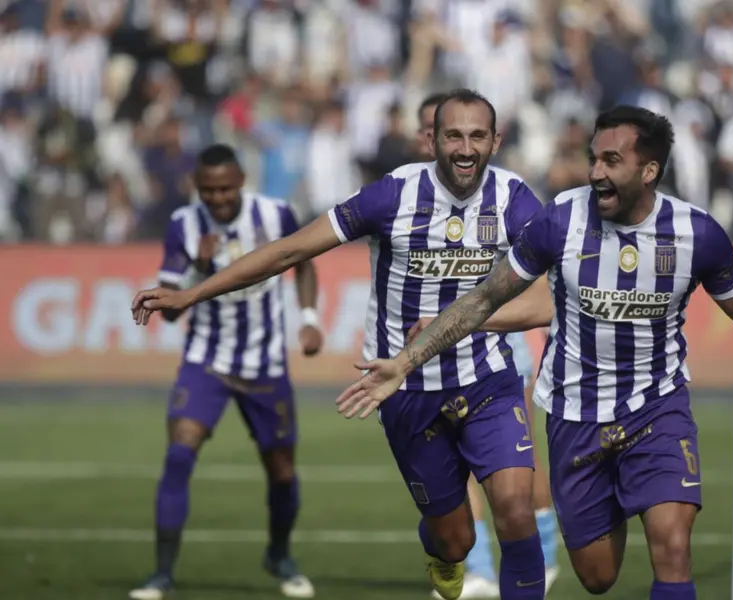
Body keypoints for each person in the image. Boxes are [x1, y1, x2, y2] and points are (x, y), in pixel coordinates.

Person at [332, 105, 733, 600]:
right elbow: (485, 298)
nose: (596, 172)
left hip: (658, 406)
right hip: (576, 415)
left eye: (611, 161)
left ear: (649, 170)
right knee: (597, 576)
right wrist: (407, 359)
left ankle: (651, 490)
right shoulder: (561, 221)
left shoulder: (696, 234)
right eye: (594, 159)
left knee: (673, 548)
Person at [132, 90, 552, 600]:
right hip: (404, 388)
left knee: (514, 509)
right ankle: (443, 549)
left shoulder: (515, 200)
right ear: (432, 139)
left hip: (489, 380)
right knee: (455, 539)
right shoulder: (391, 197)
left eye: (478, 136)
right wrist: (195, 291)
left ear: (496, 140)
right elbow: (289, 251)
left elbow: (546, 304)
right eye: (454, 136)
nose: (466, 148)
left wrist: (462, 324)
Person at [129, 144, 323, 600]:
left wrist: (310, 319)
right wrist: (196, 267)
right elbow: (173, 311)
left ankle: (279, 554)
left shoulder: (276, 215)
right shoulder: (184, 225)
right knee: (179, 454)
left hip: (266, 362)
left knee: (281, 473)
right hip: (206, 362)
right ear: (197, 188)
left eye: (224, 189)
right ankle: (161, 574)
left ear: (241, 183)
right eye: (207, 191)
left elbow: (304, 265)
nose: (215, 199)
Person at [408, 91, 562, 599]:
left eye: (470, 134)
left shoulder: (503, 196)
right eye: (441, 132)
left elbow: (539, 279)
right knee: (460, 473)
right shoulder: (405, 201)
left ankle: (534, 548)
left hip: (496, 349)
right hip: (429, 365)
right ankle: (474, 565)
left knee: (510, 465)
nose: (458, 144)